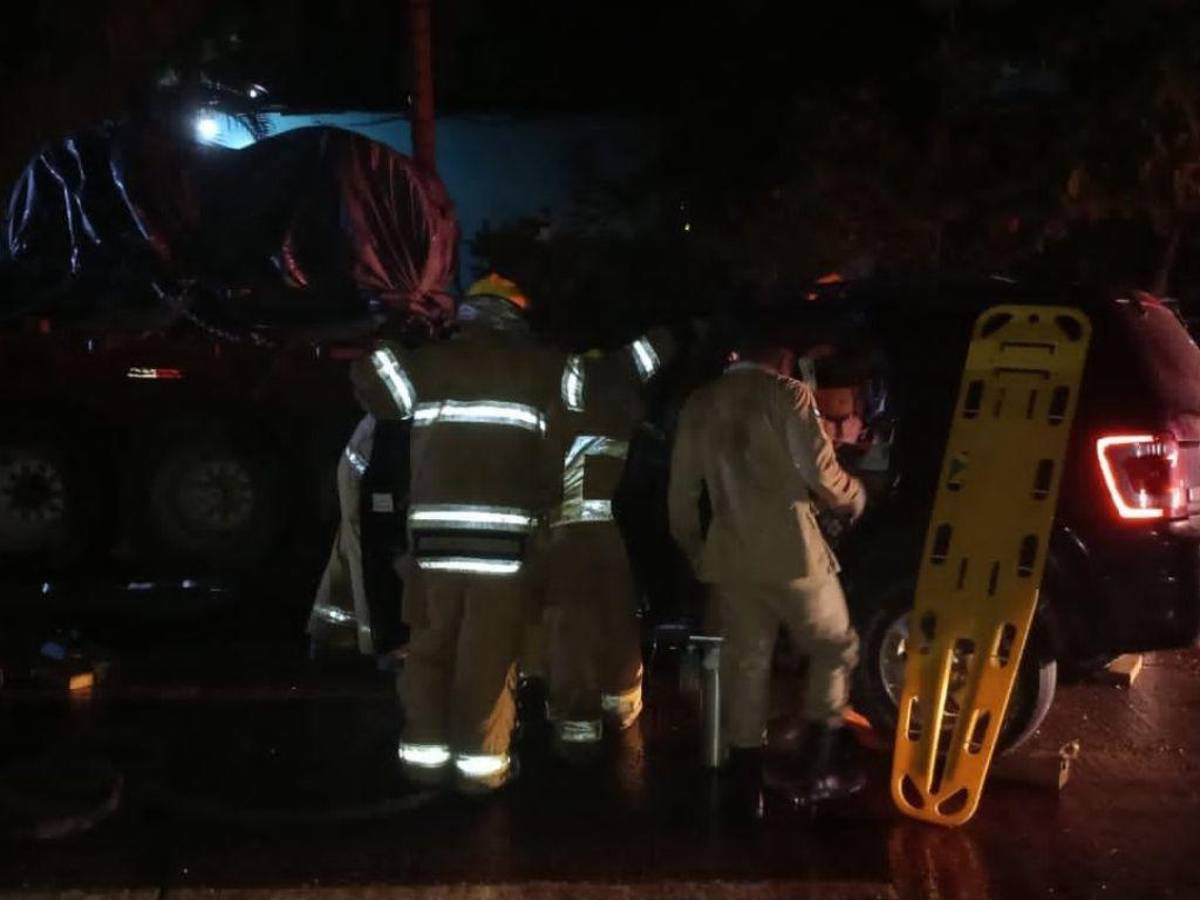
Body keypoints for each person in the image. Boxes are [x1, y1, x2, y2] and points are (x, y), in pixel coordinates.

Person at [350, 273, 562, 794]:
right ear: (514, 317)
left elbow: (376, 389)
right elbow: (559, 458)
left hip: (433, 548)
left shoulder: (432, 363)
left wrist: (386, 339)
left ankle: (423, 761)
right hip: (503, 550)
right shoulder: (539, 367)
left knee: (430, 651)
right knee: (486, 661)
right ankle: (480, 771)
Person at [667, 332, 866, 812]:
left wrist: (699, 552)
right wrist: (854, 495)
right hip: (794, 557)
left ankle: (745, 784)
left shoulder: (700, 403)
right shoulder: (788, 394)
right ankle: (818, 767)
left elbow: (680, 499)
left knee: (747, 664)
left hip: (730, 560)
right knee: (834, 646)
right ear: (783, 357)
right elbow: (819, 473)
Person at [544, 329, 674, 760]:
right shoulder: (625, 396)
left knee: (572, 626)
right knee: (619, 616)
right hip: (617, 533)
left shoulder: (560, 395)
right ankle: (621, 705)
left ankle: (578, 724)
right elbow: (661, 348)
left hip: (569, 533)